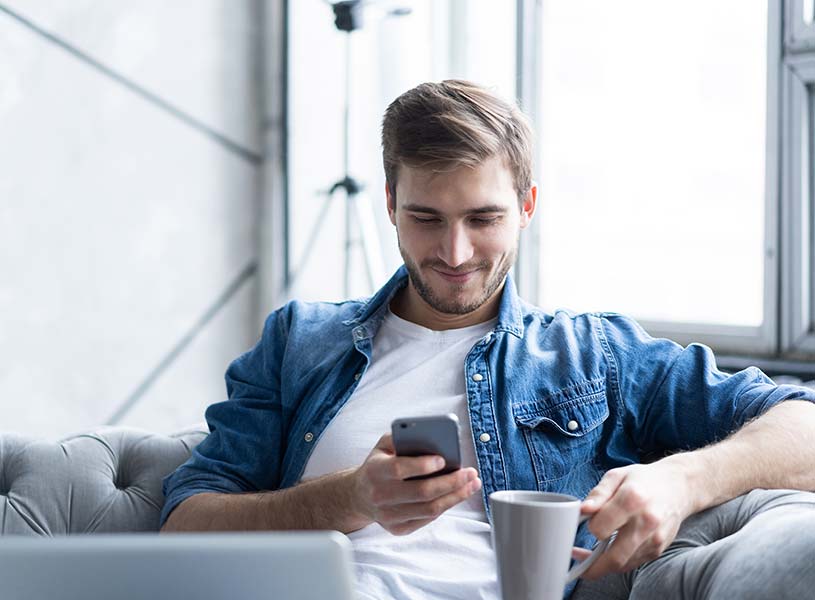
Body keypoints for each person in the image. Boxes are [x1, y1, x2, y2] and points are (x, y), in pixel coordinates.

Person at [160, 80, 815, 599]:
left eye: (484, 218)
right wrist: (350, 497)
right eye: (425, 217)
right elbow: (184, 525)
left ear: (527, 206)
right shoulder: (299, 341)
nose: (454, 251)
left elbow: (803, 428)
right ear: (389, 202)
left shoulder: (596, 355)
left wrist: (679, 481)